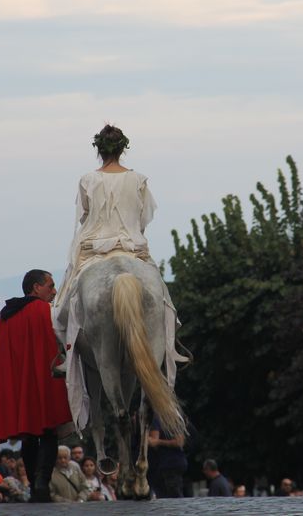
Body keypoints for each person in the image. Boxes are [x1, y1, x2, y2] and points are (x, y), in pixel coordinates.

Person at [52, 124, 186, 432]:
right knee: (163, 301)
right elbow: (143, 218)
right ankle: (171, 345)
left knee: (62, 304)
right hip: (131, 246)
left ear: (98, 149)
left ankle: (64, 355)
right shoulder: (138, 179)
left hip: (94, 248)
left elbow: (84, 217)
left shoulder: (87, 179)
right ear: (123, 148)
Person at [0, 269, 72, 502]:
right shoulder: (47, 312)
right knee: (49, 435)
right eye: (50, 286)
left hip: (20, 388)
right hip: (44, 384)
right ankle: (42, 483)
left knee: (30, 437)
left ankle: (35, 486)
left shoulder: (6, 316)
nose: (54, 292)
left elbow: (1, 359)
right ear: (36, 288)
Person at [147, 413, 187, 498]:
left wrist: (158, 442)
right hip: (176, 462)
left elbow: (154, 442)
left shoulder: (157, 419)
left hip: (168, 463)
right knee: (174, 492)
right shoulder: (175, 418)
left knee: (171, 494)